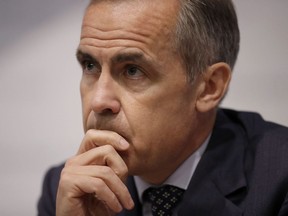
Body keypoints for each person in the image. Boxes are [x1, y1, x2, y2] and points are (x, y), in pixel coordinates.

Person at [37, 0, 288, 215]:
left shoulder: (279, 179)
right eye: (90, 66)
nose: (98, 101)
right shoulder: (69, 189)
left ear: (209, 87)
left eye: (133, 71)